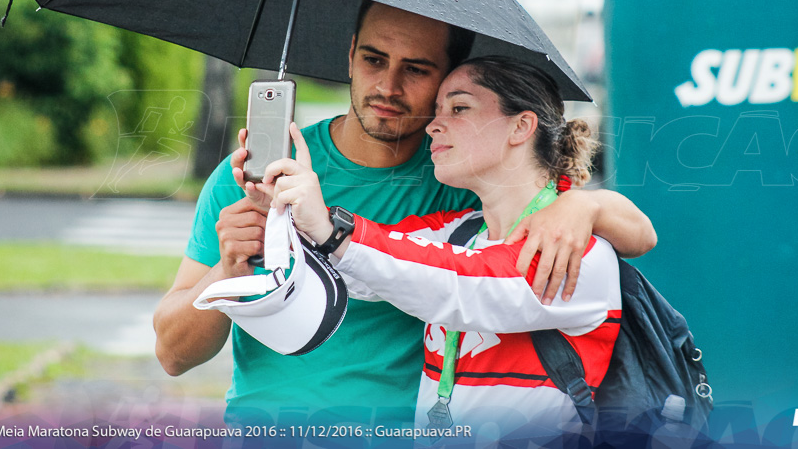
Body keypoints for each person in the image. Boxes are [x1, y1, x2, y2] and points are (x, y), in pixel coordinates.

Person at [153, 2, 656, 427]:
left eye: (416, 70)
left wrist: (585, 204)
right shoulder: (257, 177)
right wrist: (232, 266)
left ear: (442, 78)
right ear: (349, 55)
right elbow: (174, 355)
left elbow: (456, 272)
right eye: (374, 59)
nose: (389, 86)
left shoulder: (460, 183)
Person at [262, 56, 626, 440]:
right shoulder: (461, 230)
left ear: (521, 126)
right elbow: (359, 273)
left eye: (458, 108)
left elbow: (464, 284)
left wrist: (330, 227)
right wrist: (281, 209)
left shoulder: (578, 250)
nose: (433, 125)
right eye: (437, 110)